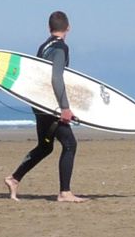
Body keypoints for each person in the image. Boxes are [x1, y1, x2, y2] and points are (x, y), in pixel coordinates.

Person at [5, 11, 85, 203]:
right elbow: (56, 78)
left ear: (49, 28)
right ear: (68, 27)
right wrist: (64, 108)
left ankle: (14, 179)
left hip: (39, 104)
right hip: (50, 106)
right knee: (70, 144)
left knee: (45, 146)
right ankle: (64, 192)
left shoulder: (44, 47)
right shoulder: (60, 48)